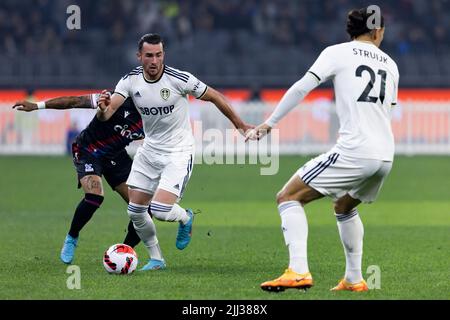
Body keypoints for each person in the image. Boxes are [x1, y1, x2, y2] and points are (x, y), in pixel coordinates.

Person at [246, 7, 399, 292]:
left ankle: (298, 271)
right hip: (385, 156)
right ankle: (354, 279)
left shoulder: (337, 52)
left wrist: (269, 124)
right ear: (377, 31)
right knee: (343, 206)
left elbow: (301, 88)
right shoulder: (391, 64)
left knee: (288, 197)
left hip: (356, 151)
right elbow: (386, 112)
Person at [97, 33, 253, 271]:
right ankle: (157, 259)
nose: (154, 60)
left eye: (158, 55)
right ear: (139, 56)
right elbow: (107, 114)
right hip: (149, 150)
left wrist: (240, 125)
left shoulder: (178, 79)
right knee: (135, 211)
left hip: (178, 151)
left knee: (159, 209)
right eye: (149, 55)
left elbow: (215, 97)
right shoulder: (129, 81)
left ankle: (186, 217)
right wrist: (101, 109)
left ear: (163, 55)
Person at [13, 94, 166, 268]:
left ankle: (123, 252)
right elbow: (74, 101)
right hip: (88, 150)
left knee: (143, 209)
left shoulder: (154, 120)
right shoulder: (119, 99)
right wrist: (36, 106)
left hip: (115, 154)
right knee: (95, 195)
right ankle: (72, 236)